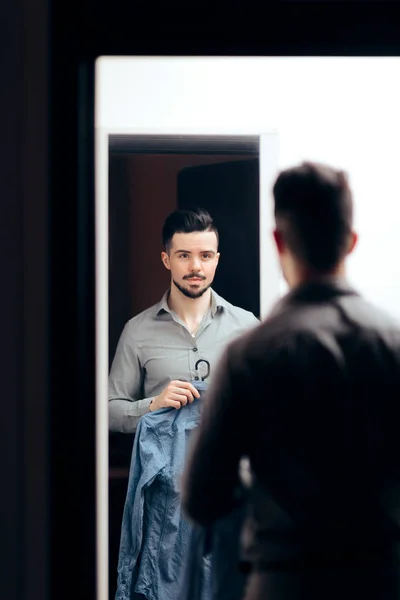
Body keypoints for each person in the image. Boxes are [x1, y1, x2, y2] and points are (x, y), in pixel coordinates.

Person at [181, 162, 400, 600]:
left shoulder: (249, 355)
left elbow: (202, 496)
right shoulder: (392, 345)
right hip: (380, 581)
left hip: (284, 583)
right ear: (351, 242)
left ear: (278, 240)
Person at [108, 207, 259, 433]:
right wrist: (153, 405)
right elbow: (109, 413)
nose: (195, 266)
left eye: (205, 256)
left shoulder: (248, 327)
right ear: (166, 259)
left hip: (230, 466)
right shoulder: (137, 331)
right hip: (164, 467)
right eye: (184, 255)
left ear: (216, 260)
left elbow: (275, 403)